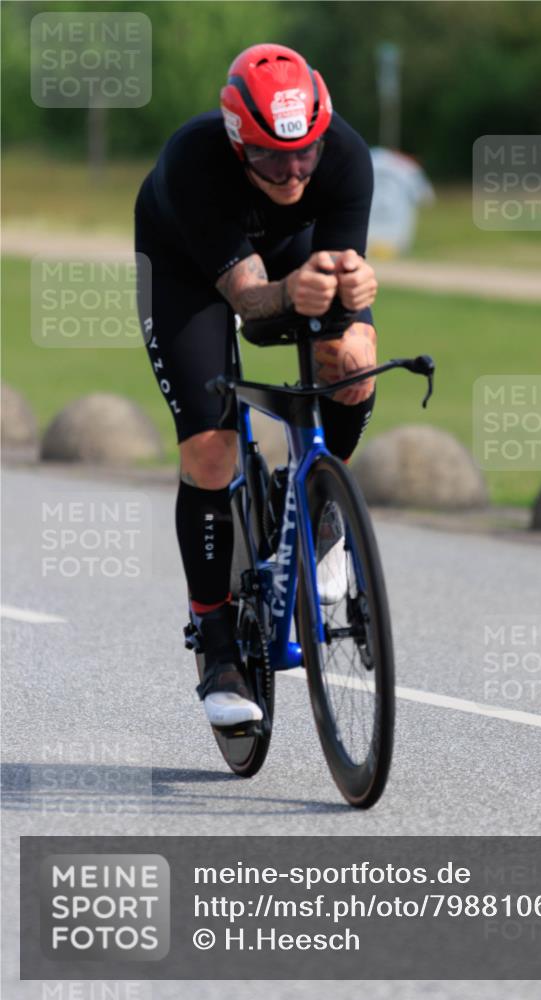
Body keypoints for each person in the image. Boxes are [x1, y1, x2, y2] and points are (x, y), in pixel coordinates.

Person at [134, 43, 378, 729]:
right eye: (271, 157)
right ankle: (216, 646)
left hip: (289, 259)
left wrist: (351, 292)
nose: (293, 171)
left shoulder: (345, 155)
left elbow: (342, 277)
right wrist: (290, 292)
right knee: (210, 447)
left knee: (354, 364)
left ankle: (327, 518)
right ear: (239, 140)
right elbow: (246, 302)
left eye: (305, 154)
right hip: (188, 274)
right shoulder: (195, 161)